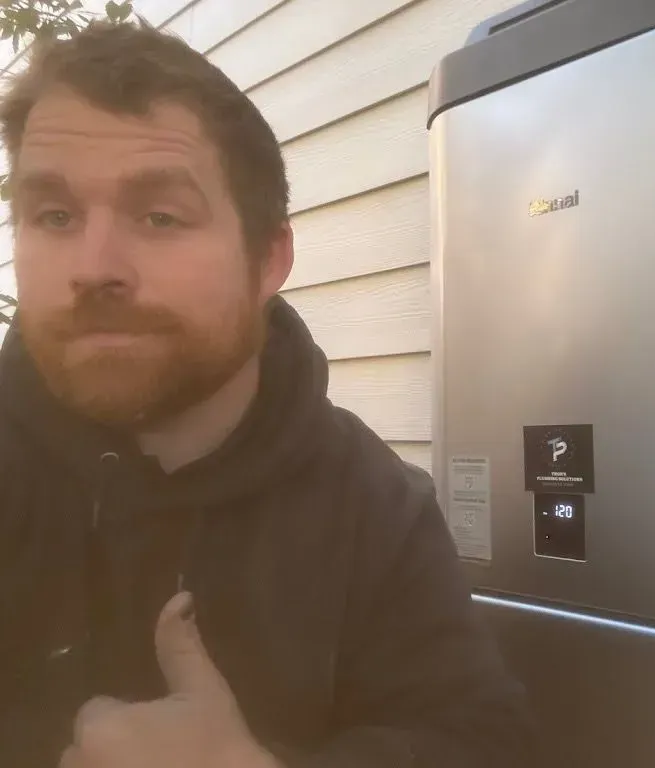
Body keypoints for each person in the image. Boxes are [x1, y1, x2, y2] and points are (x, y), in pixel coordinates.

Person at [0, 20, 534, 768]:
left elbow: (479, 741)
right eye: (54, 215)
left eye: (159, 216)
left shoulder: (372, 506)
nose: (95, 267)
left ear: (269, 258)